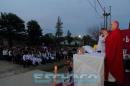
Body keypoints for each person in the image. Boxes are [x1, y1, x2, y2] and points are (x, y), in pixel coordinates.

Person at [104, 21, 124, 85]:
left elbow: (110, 42)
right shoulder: (115, 32)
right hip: (115, 54)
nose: (110, 26)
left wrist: (106, 36)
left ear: (116, 25)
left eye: (111, 24)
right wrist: (107, 35)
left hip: (114, 56)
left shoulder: (116, 33)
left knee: (112, 76)